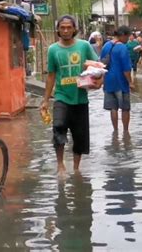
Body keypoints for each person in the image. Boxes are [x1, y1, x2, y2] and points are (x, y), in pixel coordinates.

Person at [41, 15, 99, 174]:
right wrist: (45, 100)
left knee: (80, 136)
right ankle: (60, 165)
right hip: (61, 97)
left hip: (80, 98)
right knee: (58, 128)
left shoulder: (84, 46)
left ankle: (76, 169)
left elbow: (97, 66)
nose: (65, 30)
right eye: (62, 28)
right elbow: (51, 75)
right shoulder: (53, 49)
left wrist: (98, 81)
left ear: (74, 29)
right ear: (58, 30)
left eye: (69, 27)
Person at [100, 25, 134, 133]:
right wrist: (130, 82)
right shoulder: (123, 48)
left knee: (113, 108)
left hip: (108, 81)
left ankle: (115, 131)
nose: (128, 39)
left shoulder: (106, 46)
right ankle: (126, 131)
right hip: (121, 83)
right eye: (127, 37)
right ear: (123, 35)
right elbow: (126, 70)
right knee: (125, 108)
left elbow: (101, 64)